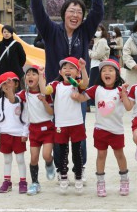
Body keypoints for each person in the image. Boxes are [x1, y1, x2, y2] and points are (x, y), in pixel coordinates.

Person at [27, 0, 104, 181]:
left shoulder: (85, 31)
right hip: (55, 90)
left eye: (79, 12)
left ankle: (80, 168)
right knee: (59, 131)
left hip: (78, 91)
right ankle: (60, 168)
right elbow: (40, 15)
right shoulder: (51, 32)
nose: (75, 15)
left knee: (78, 131)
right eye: (71, 11)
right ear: (64, 14)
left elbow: (98, 14)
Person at [71, 59, 129, 197]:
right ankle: (100, 182)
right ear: (100, 74)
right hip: (100, 130)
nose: (107, 73)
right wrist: (76, 95)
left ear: (117, 74)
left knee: (119, 155)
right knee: (101, 155)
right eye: (104, 70)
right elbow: (82, 97)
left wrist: (125, 94)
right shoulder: (96, 89)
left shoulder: (121, 90)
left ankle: (124, 180)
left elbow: (128, 107)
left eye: (111, 70)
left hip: (117, 130)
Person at [39, 57, 89, 193]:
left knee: (77, 152)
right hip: (61, 124)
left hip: (77, 123)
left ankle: (78, 177)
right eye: (65, 68)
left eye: (72, 68)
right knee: (62, 152)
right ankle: (64, 176)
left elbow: (86, 84)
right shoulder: (56, 85)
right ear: (60, 72)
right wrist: (40, 75)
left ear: (77, 73)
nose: (67, 70)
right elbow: (44, 90)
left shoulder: (77, 83)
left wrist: (83, 68)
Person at [15, 65, 55, 196]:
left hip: (48, 128)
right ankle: (35, 183)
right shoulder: (24, 94)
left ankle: (49, 164)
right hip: (33, 130)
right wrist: (9, 89)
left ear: (40, 77)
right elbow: (13, 99)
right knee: (33, 158)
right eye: (28, 74)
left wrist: (44, 101)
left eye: (34, 74)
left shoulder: (46, 93)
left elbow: (51, 112)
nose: (30, 76)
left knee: (46, 155)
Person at [0, 72, 29, 194]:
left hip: (18, 134)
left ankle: (23, 181)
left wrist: (25, 132)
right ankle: (7, 181)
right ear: (1, 87)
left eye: (10, 82)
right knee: (7, 160)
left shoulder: (21, 101)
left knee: (20, 159)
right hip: (5, 134)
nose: (7, 85)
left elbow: (26, 119)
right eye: (4, 84)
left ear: (16, 84)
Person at [0, 25, 26, 98]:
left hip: (15, 72)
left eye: (8, 32)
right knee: (3, 91)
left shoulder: (17, 45)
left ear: (12, 33)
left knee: (17, 91)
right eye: (4, 32)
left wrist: (17, 66)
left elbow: (23, 58)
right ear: (2, 33)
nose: (6, 34)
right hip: (2, 72)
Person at [88, 24, 110, 107]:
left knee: (94, 85)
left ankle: (92, 102)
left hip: (98, 65)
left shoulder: (102, 41)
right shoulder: (97, 40)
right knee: (94, 84)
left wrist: (89, 52)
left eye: (99, 30)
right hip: (95, 65)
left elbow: (98, 55)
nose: (97, 32)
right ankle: (92, 102)